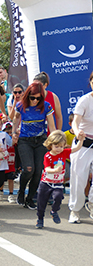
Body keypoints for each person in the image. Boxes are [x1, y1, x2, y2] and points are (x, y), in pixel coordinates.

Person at [12, 81, 56, 210]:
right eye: (32, 98)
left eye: (38, 98)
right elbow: (15, 119)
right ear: (27, 96)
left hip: (41, 141)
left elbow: (52, 127)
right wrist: (14, 132)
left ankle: (30, 198)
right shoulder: (20, 105)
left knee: (38, 172)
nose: (35, 100)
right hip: (25, 140)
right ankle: (21, 191)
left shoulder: (46, 107)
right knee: (29, 169)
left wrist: (55, 141)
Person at [36, 130, 84, 229]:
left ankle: (54, 211)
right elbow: (47, 169)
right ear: (50, 145)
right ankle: (40, 219)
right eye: (56, 146)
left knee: (58, 197)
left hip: (58, 183)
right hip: (46, 183)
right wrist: (55, 170)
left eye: (61, 146)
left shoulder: (64, 153)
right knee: (41, 202)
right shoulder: (48, 156)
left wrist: (81, 139)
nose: (59, 149)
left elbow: (77, 148)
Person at [68, 71, 93, 223]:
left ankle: (91, 204)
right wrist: (77, 133)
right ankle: (75, 210)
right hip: (83, 144)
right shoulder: (84, 100)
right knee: (79, 178)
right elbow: (75, 122)